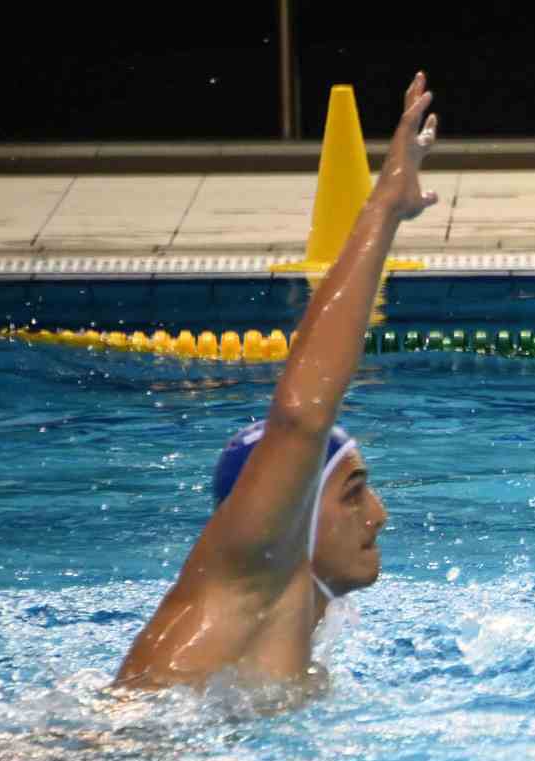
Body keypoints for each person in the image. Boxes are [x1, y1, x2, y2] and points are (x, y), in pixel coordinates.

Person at [114, 73, 440, 692]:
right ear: (284, 509)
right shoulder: (246, 580)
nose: (379, 515)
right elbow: (301, 414)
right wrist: (383, 210)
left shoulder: (292, 652)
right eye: (352, 493)